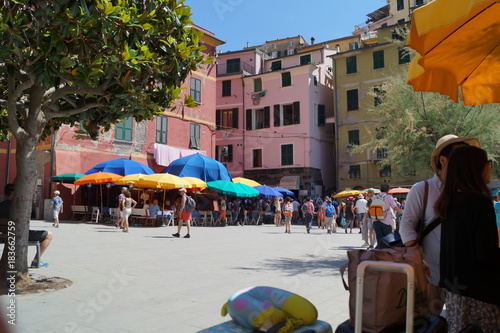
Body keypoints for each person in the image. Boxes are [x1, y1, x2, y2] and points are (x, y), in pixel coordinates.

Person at [400, 134, 480, 315]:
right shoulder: (422, 189)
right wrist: (417, 256)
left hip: (462, 274)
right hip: (431, 273)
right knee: (428, 320)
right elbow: (406, 225)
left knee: (461, 321)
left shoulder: (468, 190)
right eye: (459, 155)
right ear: (443, 160)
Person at [434, 145, 500, 332]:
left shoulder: (449, 201)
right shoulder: (480, 203)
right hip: (480, 295)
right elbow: (487, 255)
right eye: (487, 163)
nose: (489, 167)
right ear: (474, 168)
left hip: (456, 294)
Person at [0, 184, 53, 268]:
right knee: (49, 235)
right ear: (12, 194)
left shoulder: (1, 205)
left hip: (3, 235)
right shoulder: (18, 206)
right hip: (18, 235)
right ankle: (36, 261)